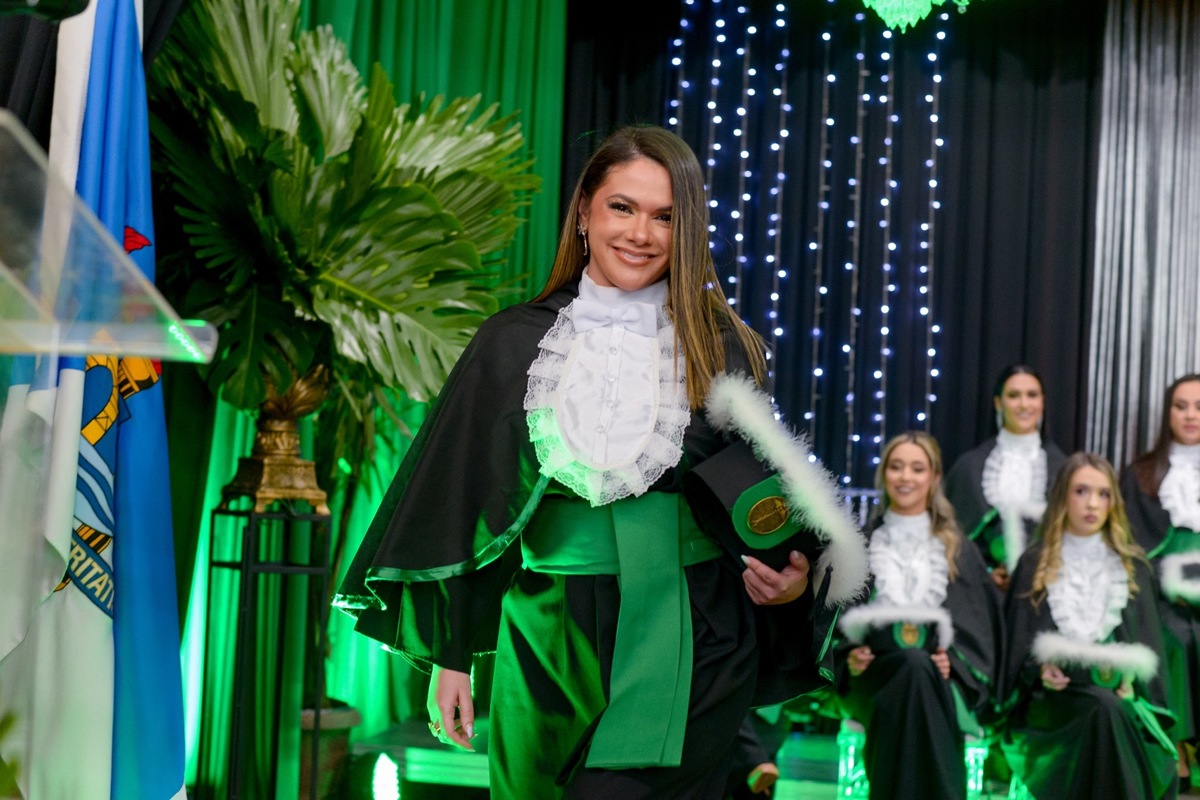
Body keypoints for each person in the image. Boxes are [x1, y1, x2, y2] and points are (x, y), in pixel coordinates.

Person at [332, 125, 867, 799]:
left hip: (691, 627)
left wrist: (792, 582)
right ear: (584, 212)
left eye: (665, 217)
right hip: (543, 637)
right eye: (623, 207)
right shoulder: (512, 343)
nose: (641, 233)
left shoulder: (721, 346)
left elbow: (760, 496)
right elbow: (468, 506)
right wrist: (452, 656)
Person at [833, 432, 1002, 800]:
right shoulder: (861, 544)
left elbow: (978, 629)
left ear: (934, 478)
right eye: (896, 467)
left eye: (917, 468)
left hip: (940, 680)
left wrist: (953, 662)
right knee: (913, 665)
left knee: (917, 667)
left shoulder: (959, 550)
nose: (905, 477)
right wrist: (851, 656)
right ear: (884, 475)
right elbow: (834, 624)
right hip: (873, 678)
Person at [1002, 453, 1176, 800]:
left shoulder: (1133, 568)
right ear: (1063, 497)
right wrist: (1040, 670)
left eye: (1103, 494)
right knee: (1104, 710)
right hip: (1052, 705)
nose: (1092, 503)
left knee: (1108, 708)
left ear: (1114, 502)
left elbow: (1149, 655)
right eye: (1081, 491)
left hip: (1118, 703)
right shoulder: (1034, 563)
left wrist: (1131, 683)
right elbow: (1015, 649)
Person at [1122, 374, 1200, 785]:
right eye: (1181, 406)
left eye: (1199, 407)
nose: (1190, 415)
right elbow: (1129, 548)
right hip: (1158, 599)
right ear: (1167, 413)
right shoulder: (1141, 474)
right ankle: (1177, 749)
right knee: (1173, 635)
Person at [945, 365, 1068, 591]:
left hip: (1048, 589)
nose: (1024, 404)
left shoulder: (1064, 471)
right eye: (1013, 395)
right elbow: (949, 537)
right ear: (998, 403)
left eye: (1032, 395)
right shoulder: (969, 468)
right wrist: (985, 574)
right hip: (978, 592)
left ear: (1042, 402)